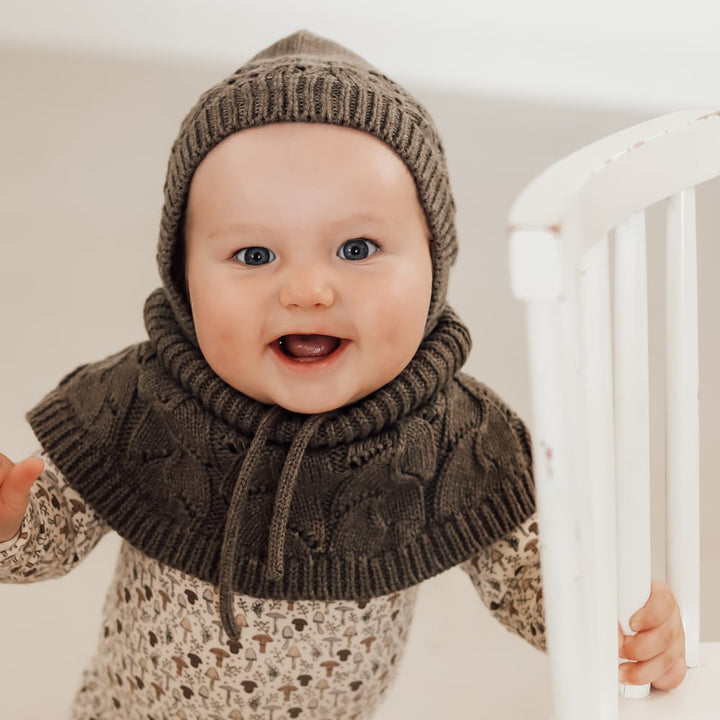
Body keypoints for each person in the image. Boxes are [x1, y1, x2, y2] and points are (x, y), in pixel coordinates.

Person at [0, 30, 685, 719]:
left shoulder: (451, 434)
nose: (307, 290)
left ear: (435, 267)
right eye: (253, 253)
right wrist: (12, 523)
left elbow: (531, 580)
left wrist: (619, 627)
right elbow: (54, 537)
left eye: (357, 248)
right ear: (183, 281)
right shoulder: (144, 398)